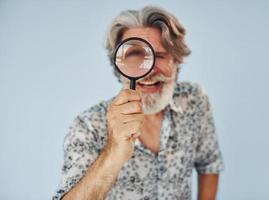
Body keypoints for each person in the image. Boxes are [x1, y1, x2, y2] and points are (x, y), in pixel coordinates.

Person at [53, 6, 224, 200]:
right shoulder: (88, 126)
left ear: (177, 62)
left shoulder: (195, 100)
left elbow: (209, 164)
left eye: (159, 56)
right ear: (118, 67)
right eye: (135, 55)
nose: (148, 70)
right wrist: (114, 150)